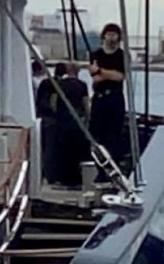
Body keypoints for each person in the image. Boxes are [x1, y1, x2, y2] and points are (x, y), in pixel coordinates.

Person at [89, 23, 130, 176]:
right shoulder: (96, 54)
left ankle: (115, 167)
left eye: (115, 34)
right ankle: (99, 168)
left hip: (115, 98)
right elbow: (96, 78)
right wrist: (106, 74)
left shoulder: (122, 55)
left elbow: (119, 76)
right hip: (99, 98)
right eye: (109, 34)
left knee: (114, 134)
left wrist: (101, 71)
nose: (112, 37)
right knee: (97, 135)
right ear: (103, 36)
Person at [47, 60, 91, 188]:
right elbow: (86, 104)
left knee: (62, 150)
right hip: (76, 122)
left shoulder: (59, 84)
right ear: (78, 71)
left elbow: (53, 102)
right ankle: (76, 179)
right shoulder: (82, 85)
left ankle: (62, 178)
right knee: (76, 151)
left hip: (62, 122)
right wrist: (87, 119)